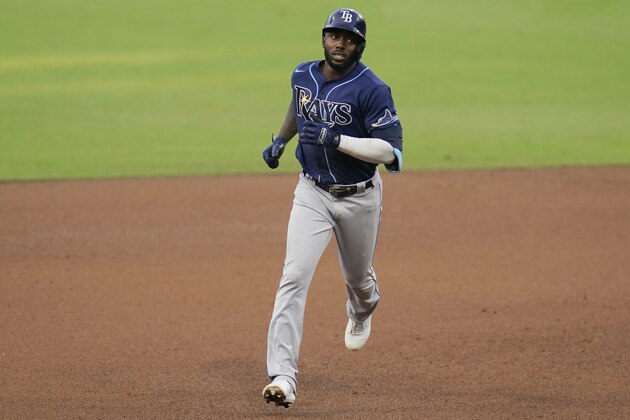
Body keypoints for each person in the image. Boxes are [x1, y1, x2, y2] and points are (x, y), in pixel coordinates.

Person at [261, 8, 403, 408]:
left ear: (360, 45)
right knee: (293, 277)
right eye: (334, 36)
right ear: (324, 38)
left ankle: (362, 308)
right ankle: (283, 376)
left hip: (358, 196)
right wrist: (282, 140)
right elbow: (298, 105)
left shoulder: (372, 89)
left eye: (349, 39)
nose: (340, 44)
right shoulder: (302, 74)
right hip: (311, 193)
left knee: (358, 281)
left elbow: (389, 152)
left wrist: (335, 139)